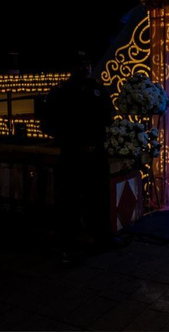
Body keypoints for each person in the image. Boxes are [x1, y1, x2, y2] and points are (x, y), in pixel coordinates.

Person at [41, 51, 118, 264]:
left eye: (87, 63)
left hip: (94, 152)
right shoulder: (60, 93)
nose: (85, 67)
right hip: (73, 153)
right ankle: (70, 246)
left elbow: (109, 117)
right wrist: (73, 138)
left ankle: (101, 238)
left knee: (98, 199)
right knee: (69, 201)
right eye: (80, 64)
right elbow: (48, 124)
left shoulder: (97, 89)